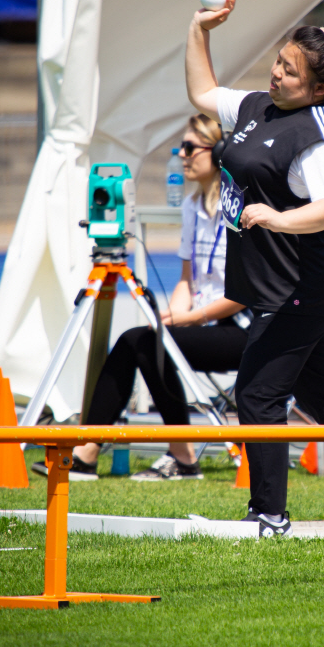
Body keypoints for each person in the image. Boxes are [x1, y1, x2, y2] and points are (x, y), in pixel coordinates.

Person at [184, 0, 324, 538]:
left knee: (257, 393)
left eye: (290, 71)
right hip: (270, 284)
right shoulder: (258, 105)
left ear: (320, 89)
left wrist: (277, 218)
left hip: (298, 288)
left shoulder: (321, 137)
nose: (276, 73)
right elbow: (202, 90)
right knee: (321, 393)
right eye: (279, 62)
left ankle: (268, 515)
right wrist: (199, 28)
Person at [32, 114, 249, 483]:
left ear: (219, 153)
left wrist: (189, 319)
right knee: (144, 339)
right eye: (181, 146)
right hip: (205, 321)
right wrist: (171, 315)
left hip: (243, 329)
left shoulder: (238, 208)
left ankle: (115, 452)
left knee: (143, 343)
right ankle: (147, 454)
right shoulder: (192, 207)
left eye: (191, 147)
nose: (182, 155)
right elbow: (187, 281)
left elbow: (247, 293)